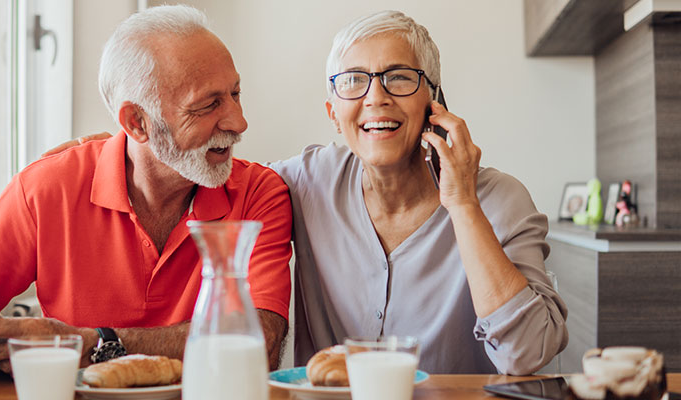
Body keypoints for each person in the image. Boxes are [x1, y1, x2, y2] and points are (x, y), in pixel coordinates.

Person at [47, 10, 569, 375]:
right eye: (354, 82)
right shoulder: (299, 182)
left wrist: (462, 205)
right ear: (332, 114)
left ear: (435, 101)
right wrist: (126, 146)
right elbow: (204, 159)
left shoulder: (500, 201)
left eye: (400, 78)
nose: (376, 98)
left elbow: (528, 356)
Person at [0, 5, 292, 372]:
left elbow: (259, 346)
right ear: (137, 122)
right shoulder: (47, 188)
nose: (239, 122)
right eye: (208, 105)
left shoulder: (259, 192)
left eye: (235, 93)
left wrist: (98, 343)